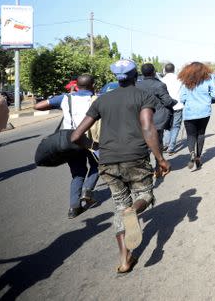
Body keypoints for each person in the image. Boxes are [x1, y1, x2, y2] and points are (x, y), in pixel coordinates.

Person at [70, 59, 170, 274]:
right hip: (135, 158)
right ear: (136, 76)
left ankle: (125, 261)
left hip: (107, 161)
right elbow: (147, 127)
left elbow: (76, 136)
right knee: (145, 195)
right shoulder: (144, 96)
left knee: (120, 207)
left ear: (117, 77)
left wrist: (94, 147)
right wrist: (160, 159)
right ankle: (134, 210)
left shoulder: (102, 100)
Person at [35, 74, 100, 218]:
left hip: (70, 140)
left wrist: (59, 103)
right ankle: (87, 189)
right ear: (93, 86)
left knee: (78, 173)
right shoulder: (97, 99)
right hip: (89, 140)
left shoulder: (66, 98)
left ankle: (74, 208)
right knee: (98, 165)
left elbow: (38, 106)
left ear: (77, 86)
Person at [178, 62, 215, 171]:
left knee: (191, 135)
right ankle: (199, 157)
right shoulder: (208, 79)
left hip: (190, 113)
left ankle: (192, 153)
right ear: (204, 69)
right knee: (201, 134)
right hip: (204, 112)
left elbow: (182, 98)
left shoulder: (186, 81)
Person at [136, 63, 177, 150]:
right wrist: (175, 102)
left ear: (142, 73)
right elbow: (168, 101)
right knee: (158, 143)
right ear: (154, 72)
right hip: (157, 120)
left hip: (141, 119)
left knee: (144, 144)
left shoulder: (137, 86)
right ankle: (159, 162)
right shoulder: (159, 85)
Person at [161, 63, 184, 155]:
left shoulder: (162, 80)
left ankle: (166, 144)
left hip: (166, 106)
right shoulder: (180, 79)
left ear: (165, 70)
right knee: (176, 126)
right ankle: (171, 147)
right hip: (178, 105)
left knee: (167, 126)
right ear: (174, 70)